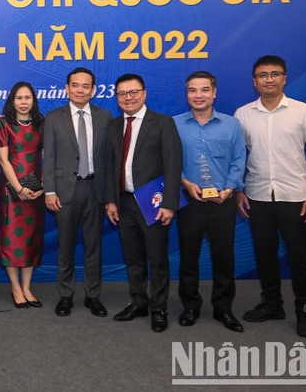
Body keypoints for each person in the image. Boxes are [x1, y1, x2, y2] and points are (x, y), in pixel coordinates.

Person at [234, 55, 306, 338]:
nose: (269, 79)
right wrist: (239, 189)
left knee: (300, 257)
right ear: (255, 82)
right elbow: (238, 157)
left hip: (296, 196)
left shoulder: (304, 111)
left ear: (284, 78)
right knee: (265, 255)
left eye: (275, 74)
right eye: (263, 75)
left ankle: (305, 310)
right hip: (258, 195)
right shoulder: (243, 114)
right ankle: (272, 303)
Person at [105, 73, 182, 333]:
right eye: (122, 94)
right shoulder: (114, 126)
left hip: (153, 201)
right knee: (133, 257)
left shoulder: (162, 123)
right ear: (117, 98)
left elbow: (173, 165)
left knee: (157, 258)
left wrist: (170, 203)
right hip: (124, 202)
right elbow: (109, 166)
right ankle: (139, 301)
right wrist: (110, 201)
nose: (128, 98)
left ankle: (158, 308)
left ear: (144, 93)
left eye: (133, 92)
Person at [173, 71, 246, 333]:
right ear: (187, 94)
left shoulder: (232, 125)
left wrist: (229, 188)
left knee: (224, 257)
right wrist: (183, 181)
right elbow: (169, 161)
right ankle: (190, 306)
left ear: (214, 92)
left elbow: (239, 159)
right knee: (189, 258)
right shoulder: (175, 124)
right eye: (193, 90)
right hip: (190, 201)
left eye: (204, 90)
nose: (198, 95)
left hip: (222, 202)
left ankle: (223, 308)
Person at [43, 68, 111, 318]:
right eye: (75, 85)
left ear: (93, 90)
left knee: (94, 246)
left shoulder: (105, 117)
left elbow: (109, 159)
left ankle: (93, 296)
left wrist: (110, 195)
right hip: (64, 191)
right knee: (65, 246)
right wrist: (49, 191)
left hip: (95, 189)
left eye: (85, 86)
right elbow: (48, 158)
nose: (80, 90)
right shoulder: (53, 117)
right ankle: (66, 295)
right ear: (67, 88)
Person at [0, 81, 45, 309]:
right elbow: (3, 160)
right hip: (12, 191)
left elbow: (47, 157)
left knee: (31, 240)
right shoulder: (3, 124)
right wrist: (18, 188)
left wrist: (42, 185)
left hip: (36, 191)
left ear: (33, 100)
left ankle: (27, 287)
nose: (23, 102)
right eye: (19, 98)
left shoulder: (41, 125)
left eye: (27, 98)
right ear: (12, 101)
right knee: (12, 240)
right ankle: (15, 288)